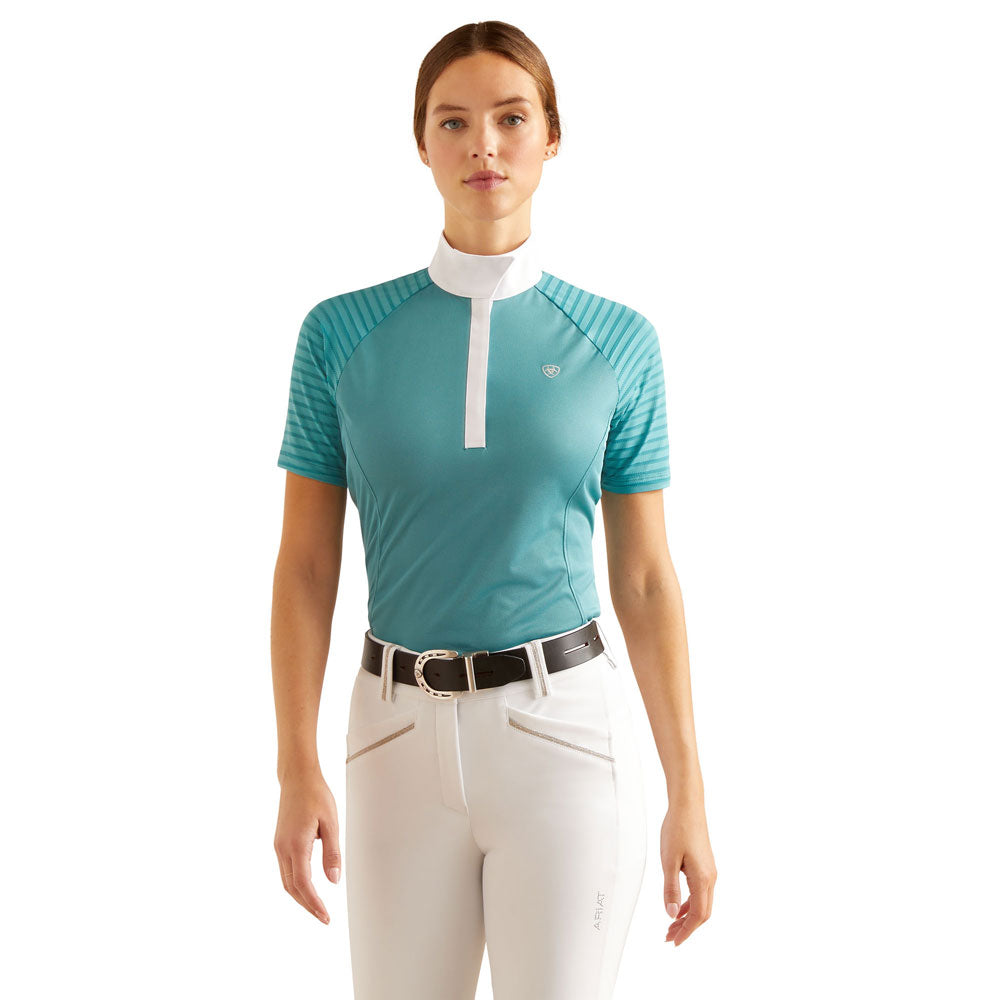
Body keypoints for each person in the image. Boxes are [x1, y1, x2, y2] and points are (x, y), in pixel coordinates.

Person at [270, 20, 716, 1000]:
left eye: (512, 119)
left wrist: (688, 789)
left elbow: (645, 579)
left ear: (551, 137)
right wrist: (296, 764)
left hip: (565, 742)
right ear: (421, 142)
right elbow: (305, 566)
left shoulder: (618, 343)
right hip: (390, 739)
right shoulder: (339, 336)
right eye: (454, 121)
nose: (484, 144)